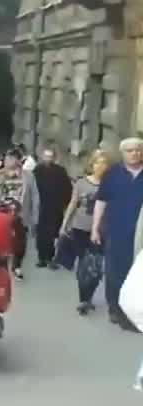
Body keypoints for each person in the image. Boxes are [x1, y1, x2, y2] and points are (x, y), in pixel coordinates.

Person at [92, 137, 143, 332]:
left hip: (140, 233)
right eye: (130, 150)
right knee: (115, 271)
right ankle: (115, 308)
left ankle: (135, 310)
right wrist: (96, 227)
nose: (134, 153)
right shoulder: (112, 174)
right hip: (116, 230)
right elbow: (101, 201)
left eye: (138, 150)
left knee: (137, 273)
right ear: (122, 153)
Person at [61, 150, 109, 315]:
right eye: (97, 162)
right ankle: (83, 299)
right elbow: (73, 204)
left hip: (102, 230)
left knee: (96, 266)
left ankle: (89, 296)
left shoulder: (110, 184)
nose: (100, 166)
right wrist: (64, 224)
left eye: (104, 163)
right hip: (80, 227)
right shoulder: (81, 183)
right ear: (92, 164)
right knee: (83, 263)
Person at [0, 148, 39, 280]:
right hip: (1, 213)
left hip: (20, 213)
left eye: (12, 158)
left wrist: (35, 217)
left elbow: (35, 196)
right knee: (1, 241)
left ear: (18, 160)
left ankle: (17, 266)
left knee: (20, 242)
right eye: (7, 158)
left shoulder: (28, 176)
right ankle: (0, 267)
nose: (9, 161)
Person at [33, 147, 73, 268]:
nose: (48, 159)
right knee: (41, 234)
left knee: (53, 233)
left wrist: (65, 203)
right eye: (46, 156)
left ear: (54, 158)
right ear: (42, 157)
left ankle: (51, 258)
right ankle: (41, 258)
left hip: (55, 207)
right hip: (41, 206)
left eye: (50, 156)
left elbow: (67, 188)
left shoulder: (60, 171)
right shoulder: (37, 170)